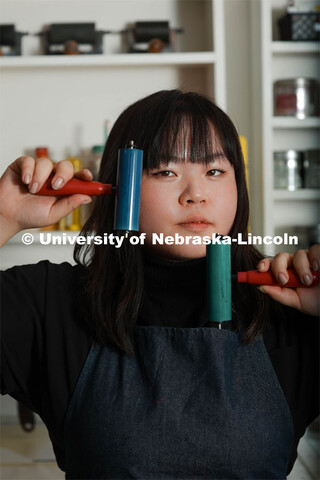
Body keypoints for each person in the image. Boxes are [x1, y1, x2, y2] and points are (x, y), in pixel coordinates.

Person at [0, 90, 318, 479]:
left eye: (214, 171)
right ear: (119, 186)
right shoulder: (49, 304)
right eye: (165, 171)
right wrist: (3, 218)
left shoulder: (290, 312)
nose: (196, 194)